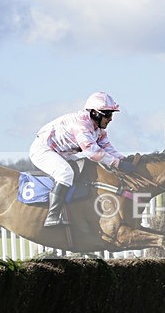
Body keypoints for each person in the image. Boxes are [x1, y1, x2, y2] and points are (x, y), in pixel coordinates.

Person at [29, 91, 136, 227]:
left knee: (84, 168)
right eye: (108, 114)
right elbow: (93, 153)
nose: (110, 119)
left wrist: (124, 160)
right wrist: (118, 164)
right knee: (65, 173)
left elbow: (109, 149)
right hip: (43, 150)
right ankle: (52, 216)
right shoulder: (81, 126)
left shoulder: (98, 130)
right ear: (96, 113)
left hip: (60, 152)